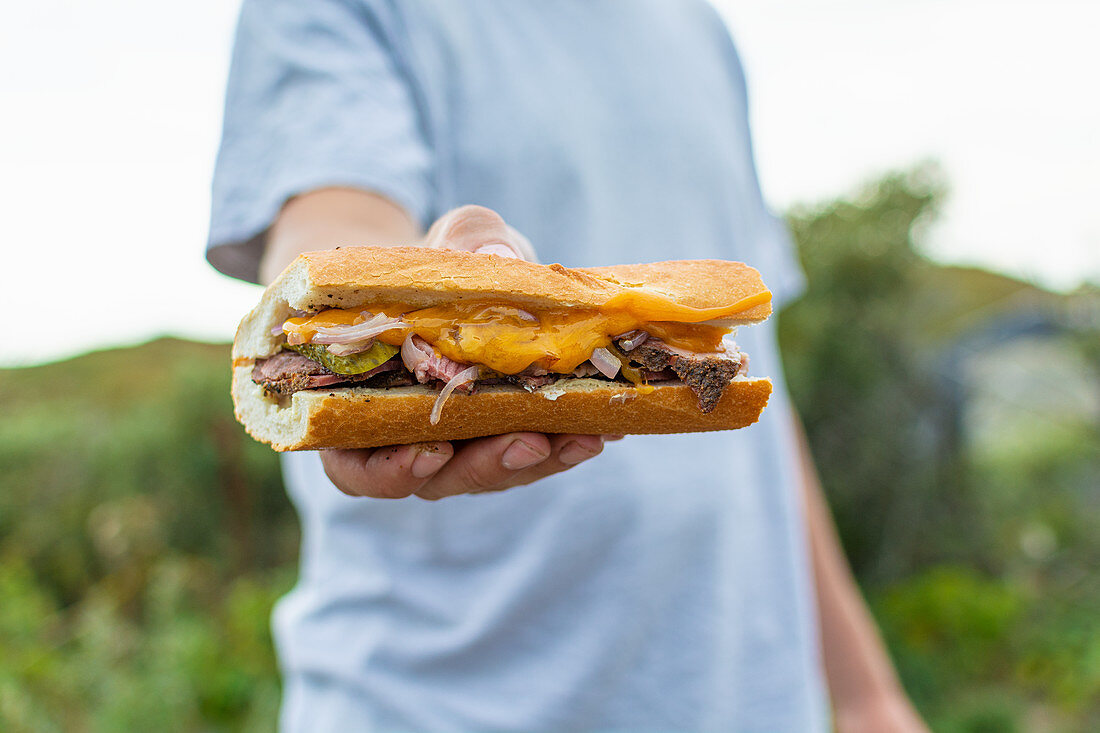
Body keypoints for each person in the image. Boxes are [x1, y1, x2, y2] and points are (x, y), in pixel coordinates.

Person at [208, 1, 929, 731]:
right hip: (439, 708)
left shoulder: (697, 26)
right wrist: (431, 270)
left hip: (754, 702)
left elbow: (751, 398)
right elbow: (334, 218)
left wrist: (867, 692)